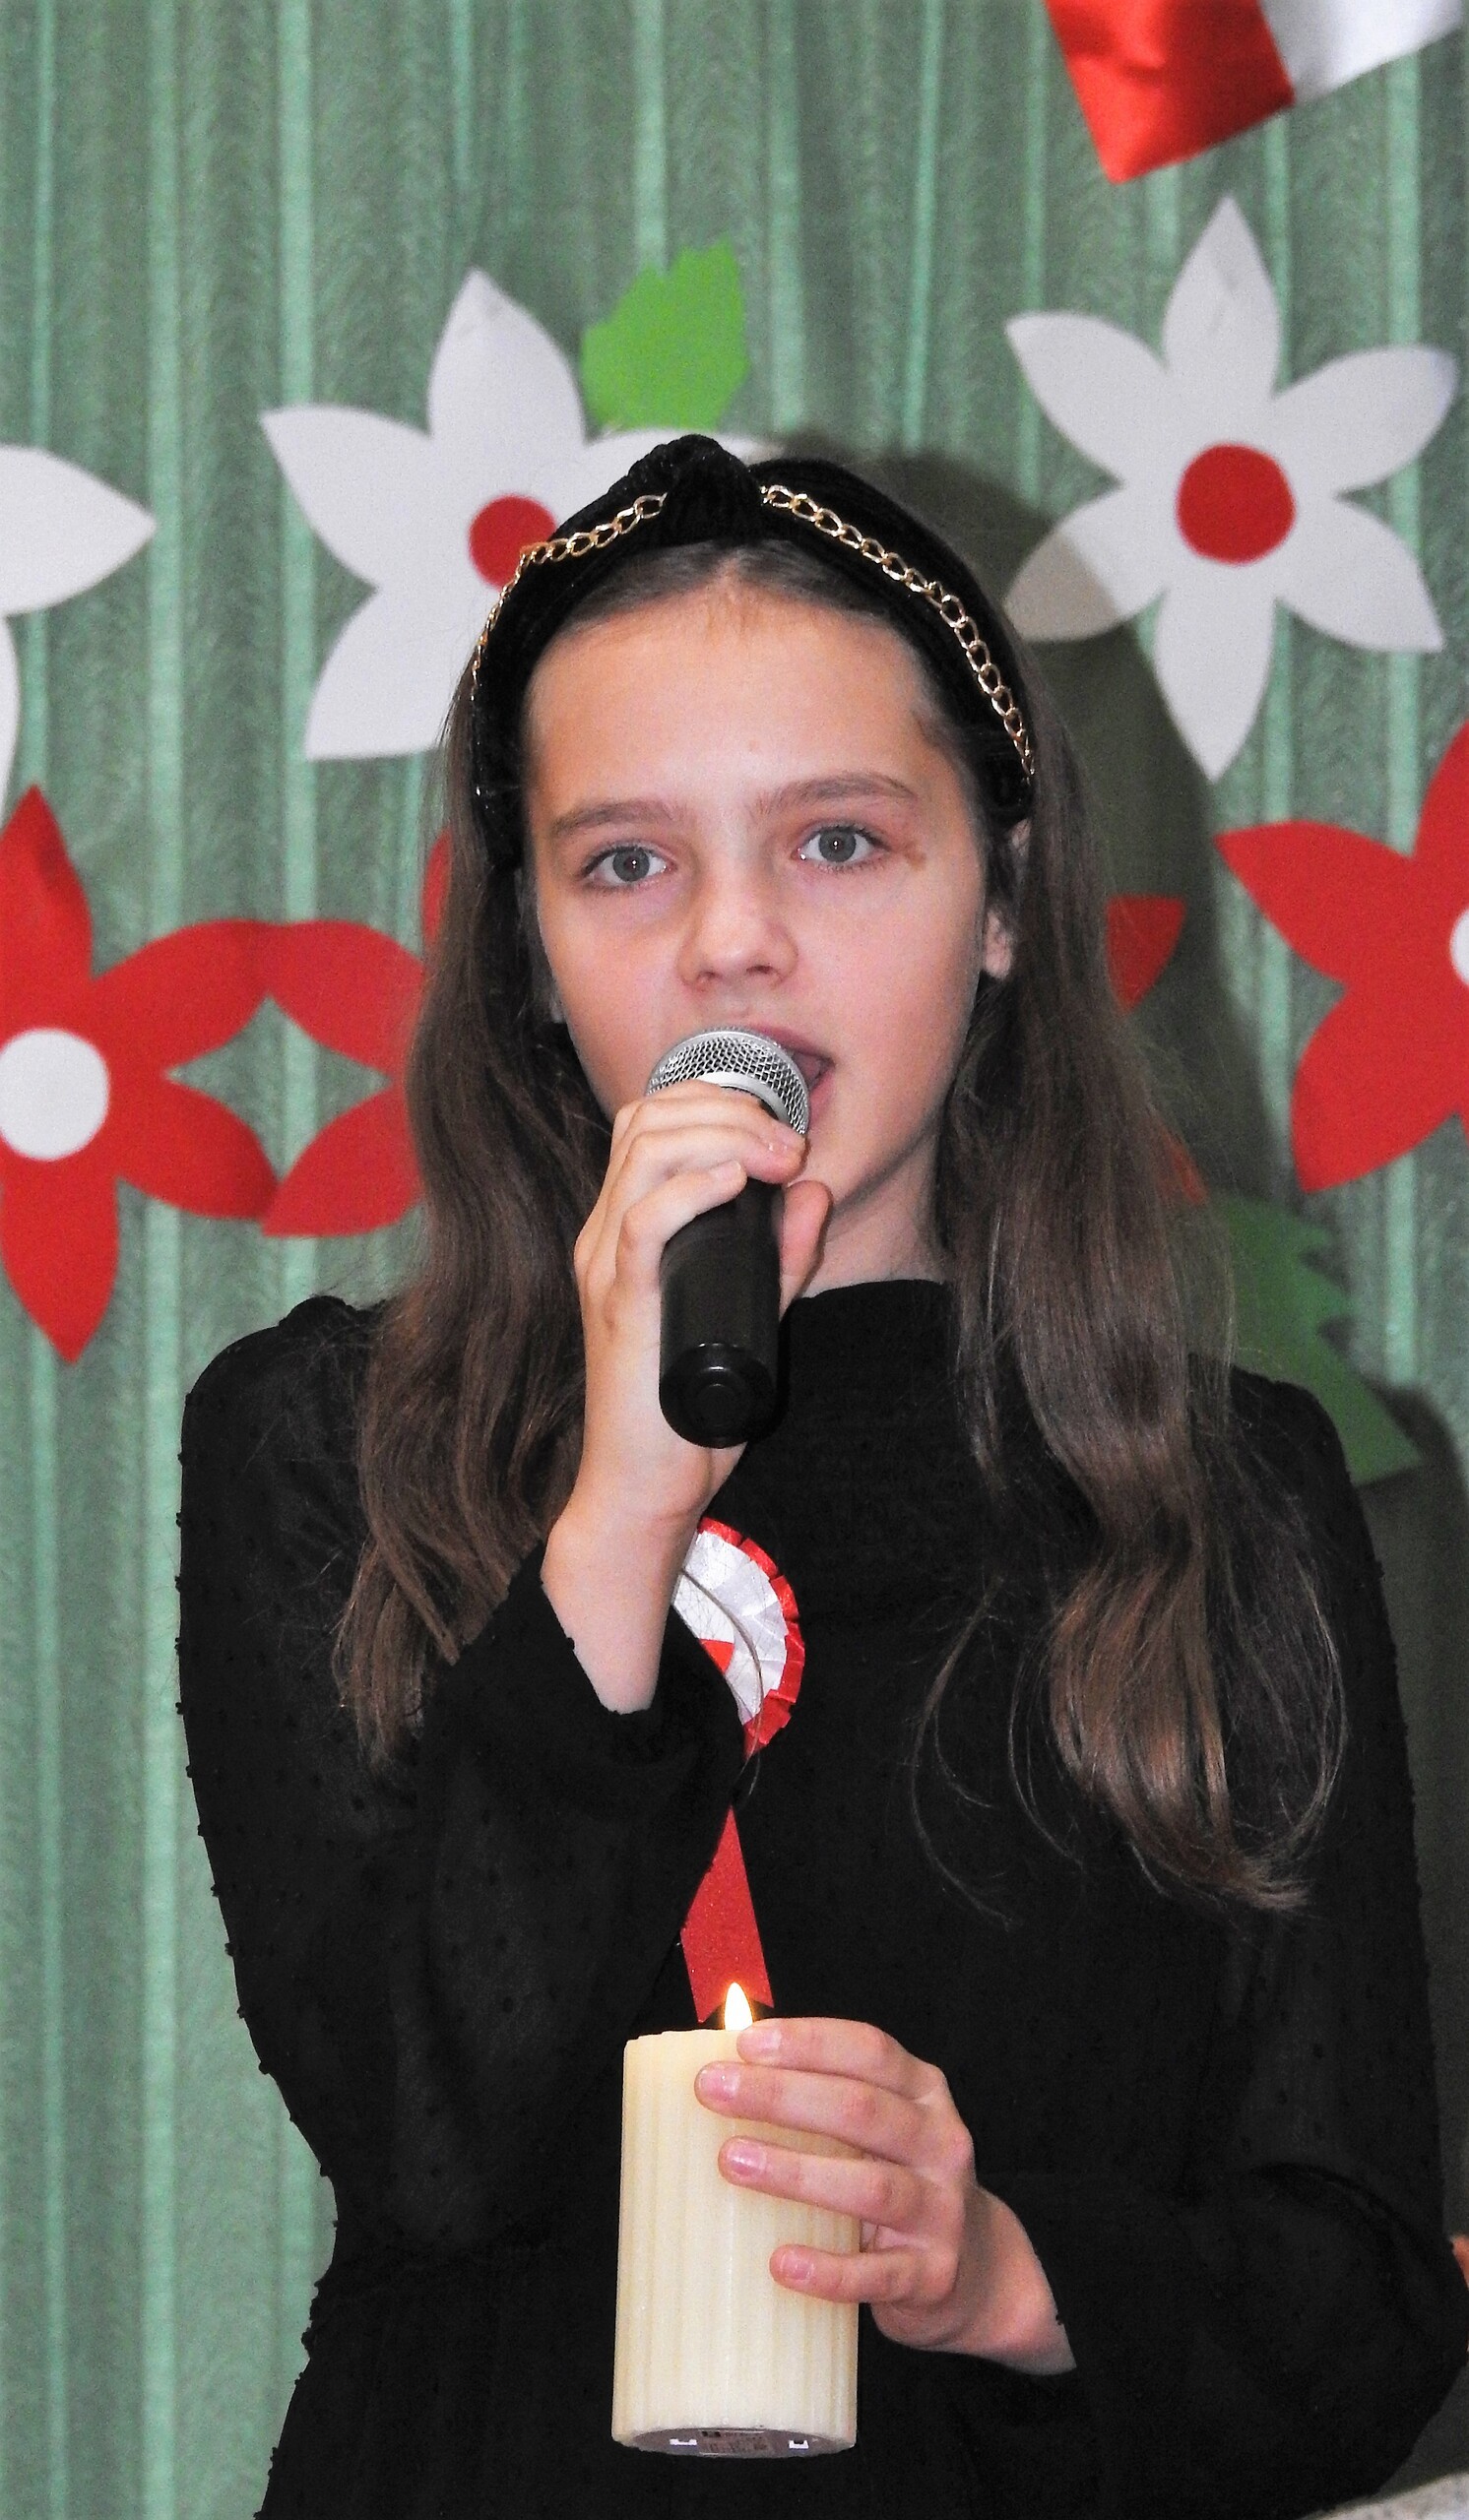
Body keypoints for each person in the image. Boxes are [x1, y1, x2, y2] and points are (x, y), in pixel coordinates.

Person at [176, 433, 1469, 2520]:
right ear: (527, 951)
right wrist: (620, 1510)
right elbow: (430, 2141)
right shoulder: (329, 1437)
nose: (732, 945)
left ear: (1004, 903)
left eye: (840, 842)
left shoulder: (1226, 1497)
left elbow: (1359, 2308)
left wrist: (1007, 2272)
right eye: (626, 863)